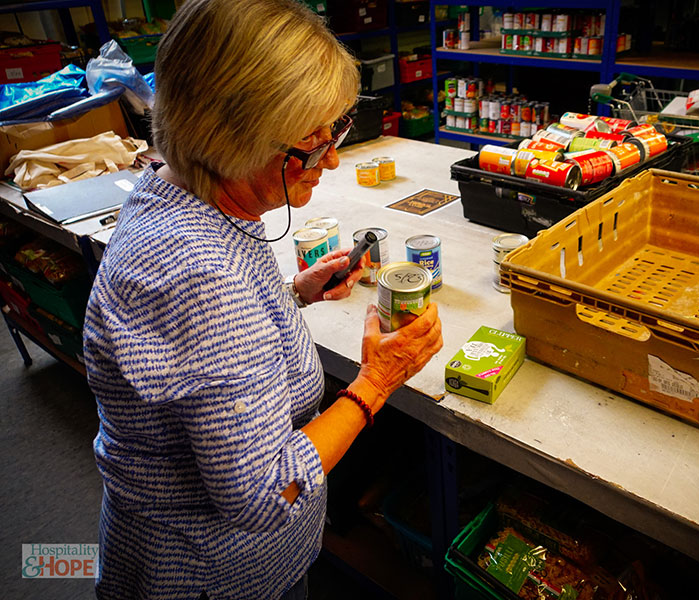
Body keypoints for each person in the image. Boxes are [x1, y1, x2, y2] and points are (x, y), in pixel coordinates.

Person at [82, 1, 443, 598]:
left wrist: (288, 295)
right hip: (212, 576)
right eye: (309, 142)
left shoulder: (176, 192)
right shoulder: (201, 276)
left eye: (337, 132)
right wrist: (377, 382)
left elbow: (196, 348)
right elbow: (267, 492)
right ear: (227, 137)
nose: (329, 159)